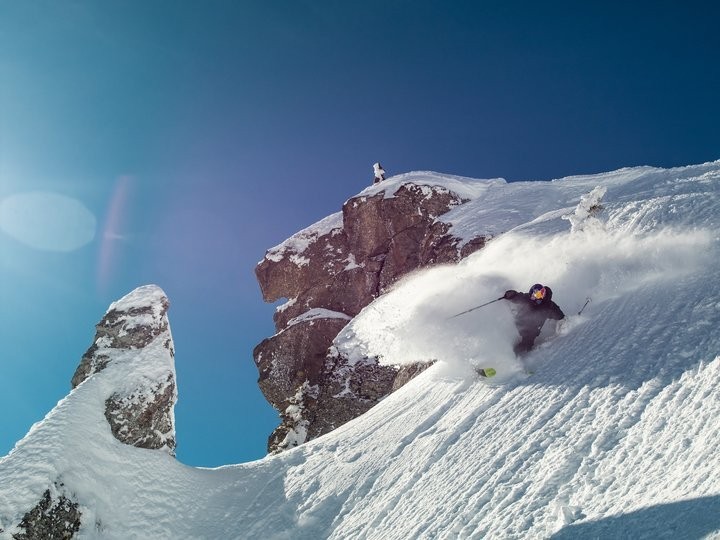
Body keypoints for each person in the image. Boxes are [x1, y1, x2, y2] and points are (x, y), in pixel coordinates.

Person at [503, 284, 565, 354]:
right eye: (536, 295)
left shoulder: (548, 306)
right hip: (518, 323)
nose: (539, 297)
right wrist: (512, 295)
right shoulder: (528, 299)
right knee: (512, 333)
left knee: (525, 345)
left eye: (542, 294)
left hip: (531, 332)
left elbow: (559, 315)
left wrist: (565, 320)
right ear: (531, 294)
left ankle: (514, 355)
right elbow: (519, 297)